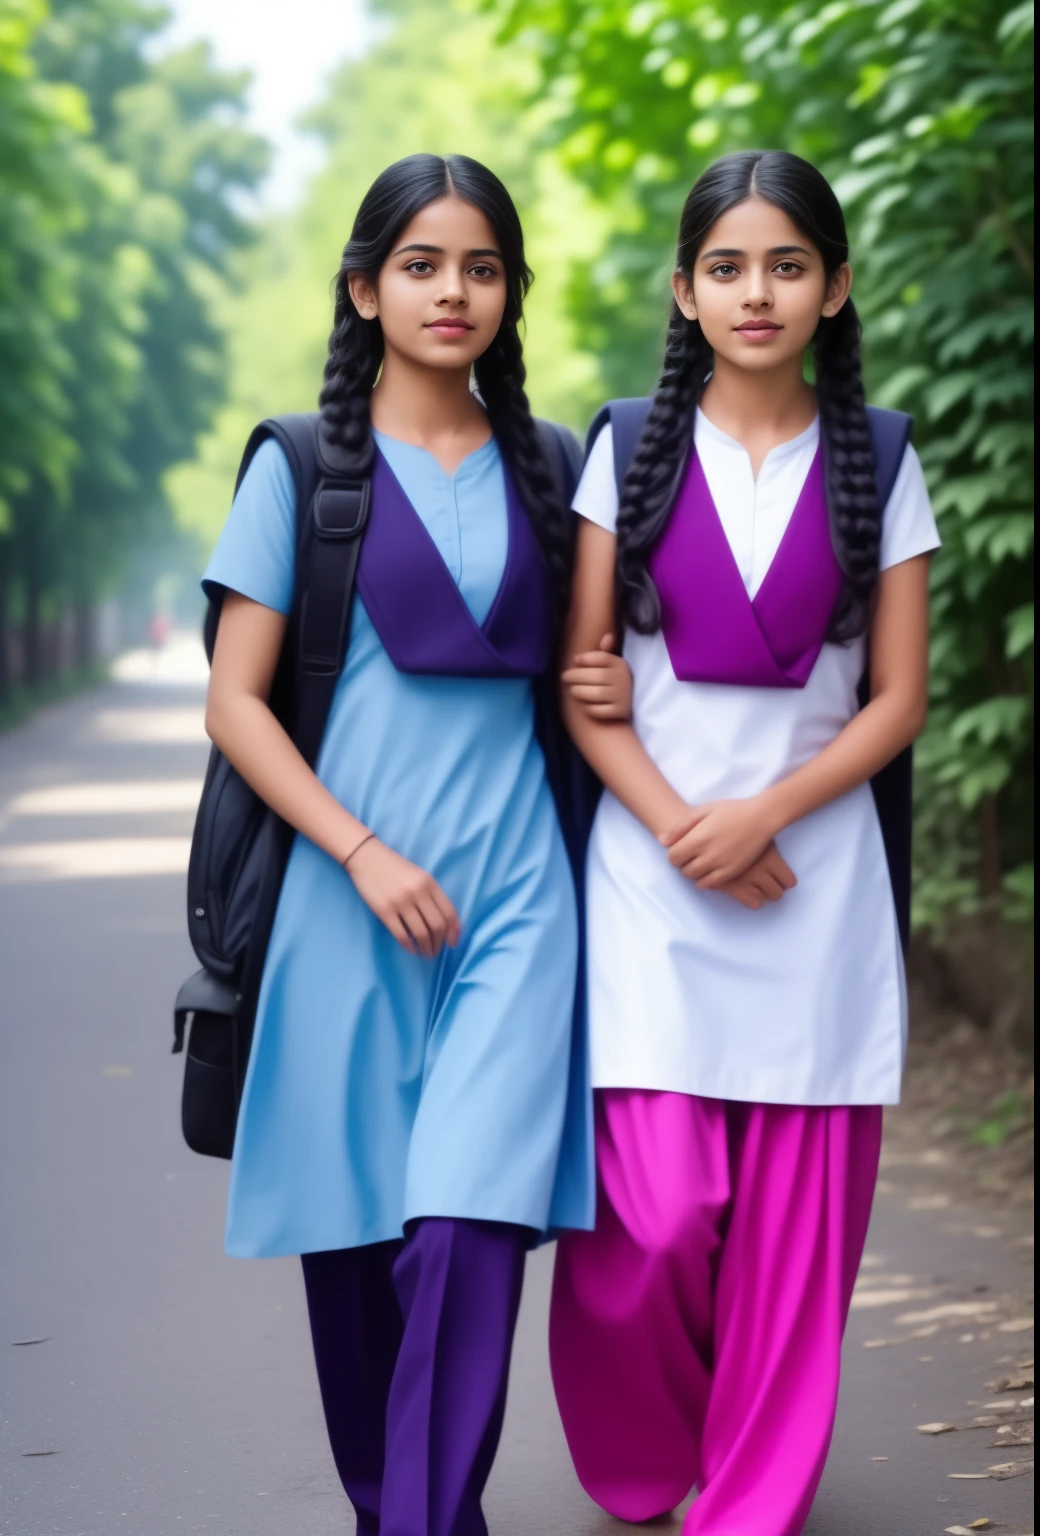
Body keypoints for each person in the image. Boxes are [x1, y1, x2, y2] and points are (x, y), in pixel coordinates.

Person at [199, 153, 619, 1536]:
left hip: (514, 905)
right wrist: (362, 851)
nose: (454, 291)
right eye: (424, 264)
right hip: (342, 905)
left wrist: (606, 685)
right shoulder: (301, 469)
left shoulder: (554, 471)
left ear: (510, 292)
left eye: (482, 266)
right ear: (366, 287)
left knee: (464, 1233)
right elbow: (237, 702)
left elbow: (588, 672)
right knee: (357, 1248)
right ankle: (408, 1513)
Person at [551, 149, 941, 1535]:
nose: (756, 290)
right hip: (651, 884)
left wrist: (765, 814)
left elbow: (899, 696)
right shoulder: (625, 448)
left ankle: (754, 1499)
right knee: (648, 1223)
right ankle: (646, 1453)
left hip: (818, 882)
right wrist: (679, 827)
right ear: (685, 288)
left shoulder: (884, 460)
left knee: (792, 1240)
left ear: (834, 288)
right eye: (727, 266)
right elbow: (582, 681)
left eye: (787, 264)